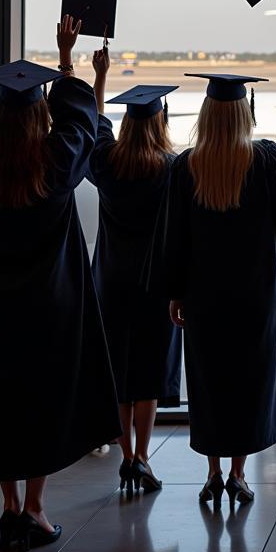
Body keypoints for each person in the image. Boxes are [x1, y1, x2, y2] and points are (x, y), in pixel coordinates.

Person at [0, 16, 120, 552]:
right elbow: (79, 121)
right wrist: (67, 62)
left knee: (2, 402)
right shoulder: (55, 161)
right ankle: (37, 510)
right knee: (44, 399)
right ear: (40, 114)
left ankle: (9, 508)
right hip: (51, 305)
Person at [155, 71, 276, 509]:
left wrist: (176, 293)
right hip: (255, 295)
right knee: (249, 382)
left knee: (210, 381)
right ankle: (239, 473)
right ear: (245, 114)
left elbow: (174, 238)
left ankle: (214, 472)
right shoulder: (264, 162)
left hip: (205, 295)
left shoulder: (187, 165)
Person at [88, 57, 182, 495]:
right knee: (149, 371)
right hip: (156, 282)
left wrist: (101, 76)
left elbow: (93, 123)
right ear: (160, 121)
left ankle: (125, 455)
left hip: (111, 279)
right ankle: (142, 457)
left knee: (120, 372)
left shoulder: (108, 162)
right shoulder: (171, 169)